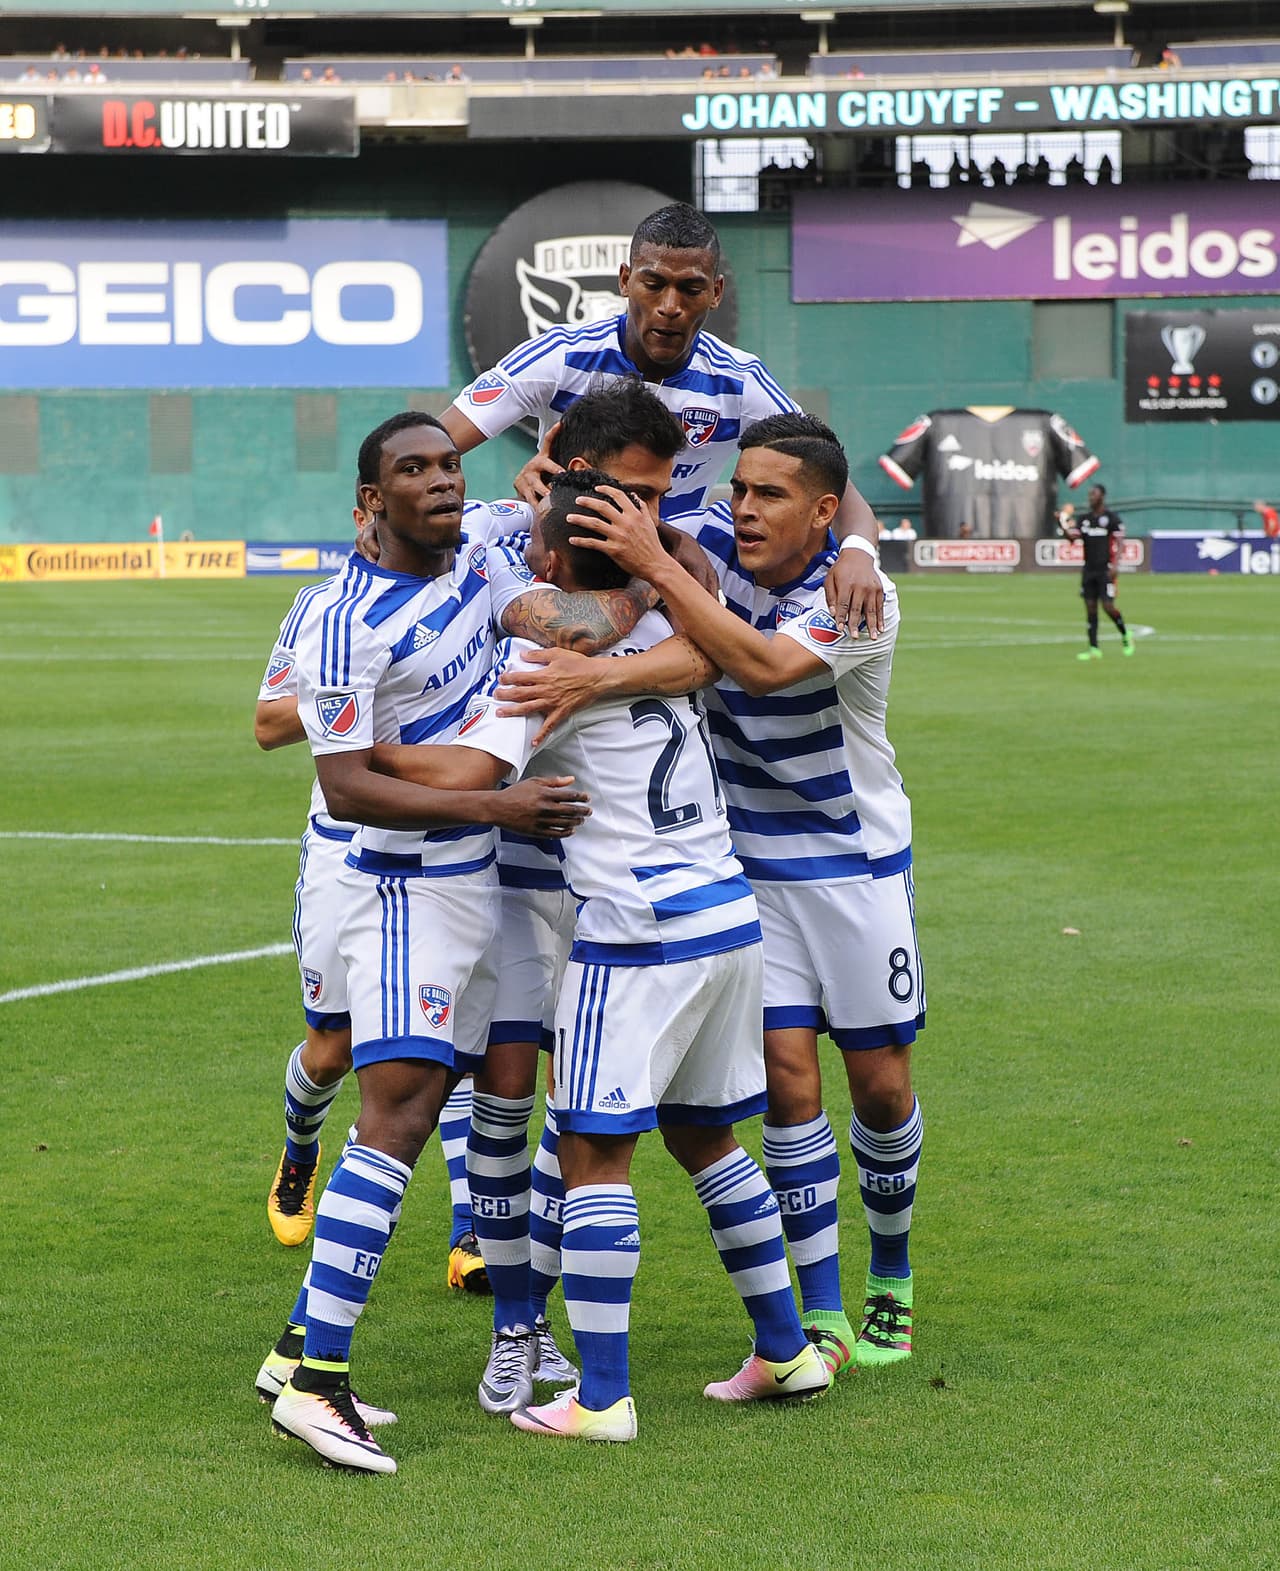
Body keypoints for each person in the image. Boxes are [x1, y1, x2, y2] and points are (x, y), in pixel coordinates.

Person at [373, 471, 831, 1443]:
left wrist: (362, 754)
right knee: (706, 1137)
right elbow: (700, 646)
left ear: (545, 564)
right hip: (726, 916)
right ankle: (786, 1349)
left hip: (633, 932)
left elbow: (468, 772)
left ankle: (602, 1396)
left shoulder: (544, 664)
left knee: (589, 1155)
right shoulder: (672, 632)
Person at [496, 414, 926, 1378]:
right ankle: (821, 1313)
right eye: (738, 489)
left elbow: (760, 666)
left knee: (881, 1085)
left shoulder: (860, 593)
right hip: (744, 866)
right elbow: (660, 603)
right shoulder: (711, 553)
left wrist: (856, 546)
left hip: (853, 863)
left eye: (770, 494)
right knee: (787, 1077)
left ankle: (892, 1272)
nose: (743, 508)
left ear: (824, 510)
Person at [258, 413, 590, 1475]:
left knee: (428, 1103)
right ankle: (317, 1385)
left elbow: (569, 609)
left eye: (449, 464)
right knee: (396, 1114)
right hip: (399, 888)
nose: (442, 481)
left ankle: (294, 1353)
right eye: (414, 470)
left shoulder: (481, 557)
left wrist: (647, 580)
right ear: (372, 502)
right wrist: (500, 805)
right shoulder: (343, 618)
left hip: (463, 886)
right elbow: (347, 784)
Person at [442, 202, 885, 638]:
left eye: (691, 289)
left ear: (716, 292)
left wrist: (858, 554)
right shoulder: (561, 357)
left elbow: (837, 490)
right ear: (625, 280)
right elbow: (431, 447)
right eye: (653, 284)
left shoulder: (739, 382)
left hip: (667, 580)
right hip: (568, 569)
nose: (670, 306)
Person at [1060, 484, 1133, 660]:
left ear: (1102, 496)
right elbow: (1072, 538)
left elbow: (1120, 542)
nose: (1090, 497)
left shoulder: (1112, 518)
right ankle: (1094, 649)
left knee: (1108, 607)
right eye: (1090, 495)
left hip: (1105, 570)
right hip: (1088, 570)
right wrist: (1061, 524)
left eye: (1094, 494)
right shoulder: (1084, 519)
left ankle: (1125, 634)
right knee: (1090, 608)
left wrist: (1116, 565)